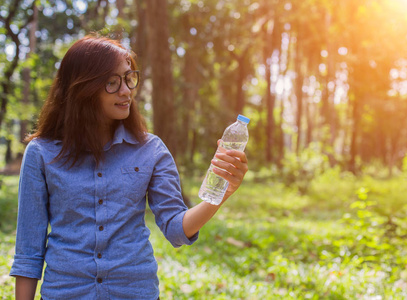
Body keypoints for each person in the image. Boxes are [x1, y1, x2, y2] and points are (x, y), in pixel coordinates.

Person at [10, 36, 248, 300]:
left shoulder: (152, 150)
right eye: (112, 82)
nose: (126, 91)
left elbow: (176, 230)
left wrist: (220, 194)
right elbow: (28, 251)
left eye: (129, 78)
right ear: (82, 89)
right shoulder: (42, 152)